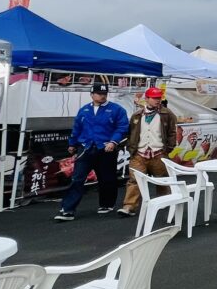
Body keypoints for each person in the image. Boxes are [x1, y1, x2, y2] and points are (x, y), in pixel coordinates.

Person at [55, 83, 129, 222]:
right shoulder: (84, 110)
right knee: (77, 178)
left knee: (107, 178)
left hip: (106, 147)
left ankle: (106, 204)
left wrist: (114, 142)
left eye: (104, 93)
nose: (102, 96)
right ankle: (68, 209)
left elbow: (122, 127)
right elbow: (77, 127)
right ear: (92, 94)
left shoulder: (116, 109)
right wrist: (72, 143)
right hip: (86, 147)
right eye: (99, 93)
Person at [120, 85, 178, 217]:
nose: (157, 100)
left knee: (162, 179)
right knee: (134, 180)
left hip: (158, 152)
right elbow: (131, 133)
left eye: (159, 98)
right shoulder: (137, 115)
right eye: (154, 98)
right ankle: (129, 206)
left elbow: (172, 132)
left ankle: (164, 201)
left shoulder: (167, 114)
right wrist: (132, 148)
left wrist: (168, 148)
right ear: (147, 99)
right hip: (139, 153)